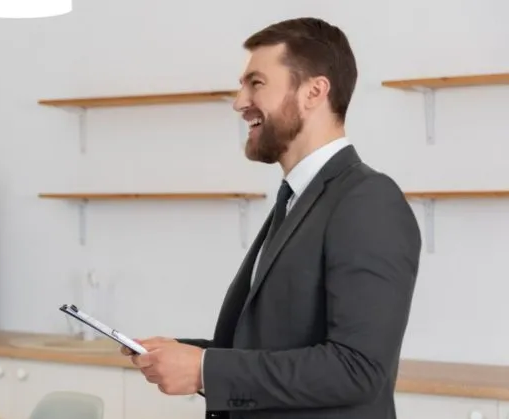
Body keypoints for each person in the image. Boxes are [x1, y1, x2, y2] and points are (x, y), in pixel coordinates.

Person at [127, 17, 422, 419]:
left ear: (314, 91)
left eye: (256, 83)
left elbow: (358, 369)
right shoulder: (295, 199)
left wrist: (203, 371)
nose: (239, 101)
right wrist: (187, 354)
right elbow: (274, 346)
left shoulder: (368, 199)